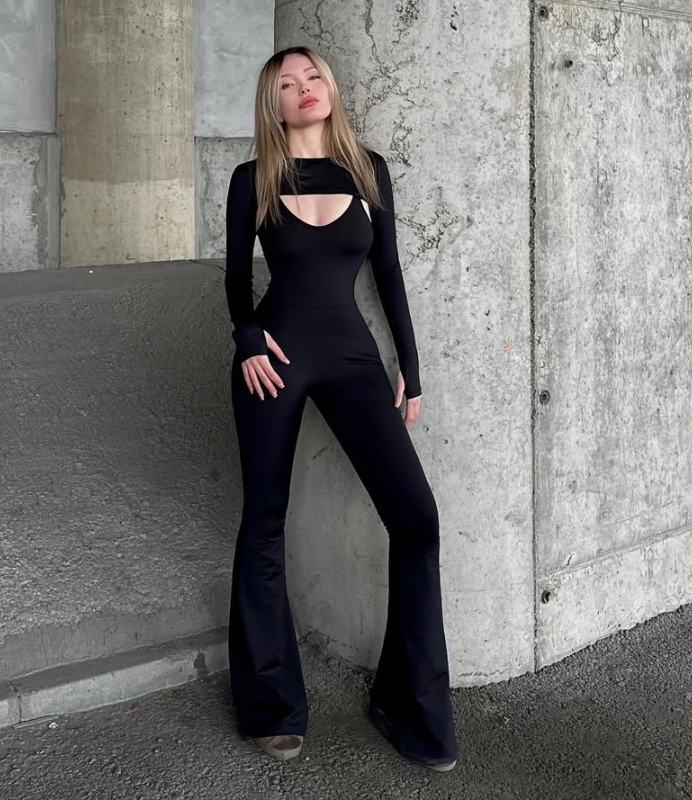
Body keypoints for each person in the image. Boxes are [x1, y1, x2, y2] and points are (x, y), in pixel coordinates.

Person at [223, 45, 458, 772]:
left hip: (352, 357)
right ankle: (273, 707)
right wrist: (247, 336)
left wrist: (410, 367)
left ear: (329, 86)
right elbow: (234, 278)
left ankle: (409, 707)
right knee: (264, 521)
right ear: (273, 104)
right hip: (274, 358)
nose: (304, 88)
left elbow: (388, 272)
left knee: (416, 519)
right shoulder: (252, 178)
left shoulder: (368, 170)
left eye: (313, 76)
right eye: (287, 84)